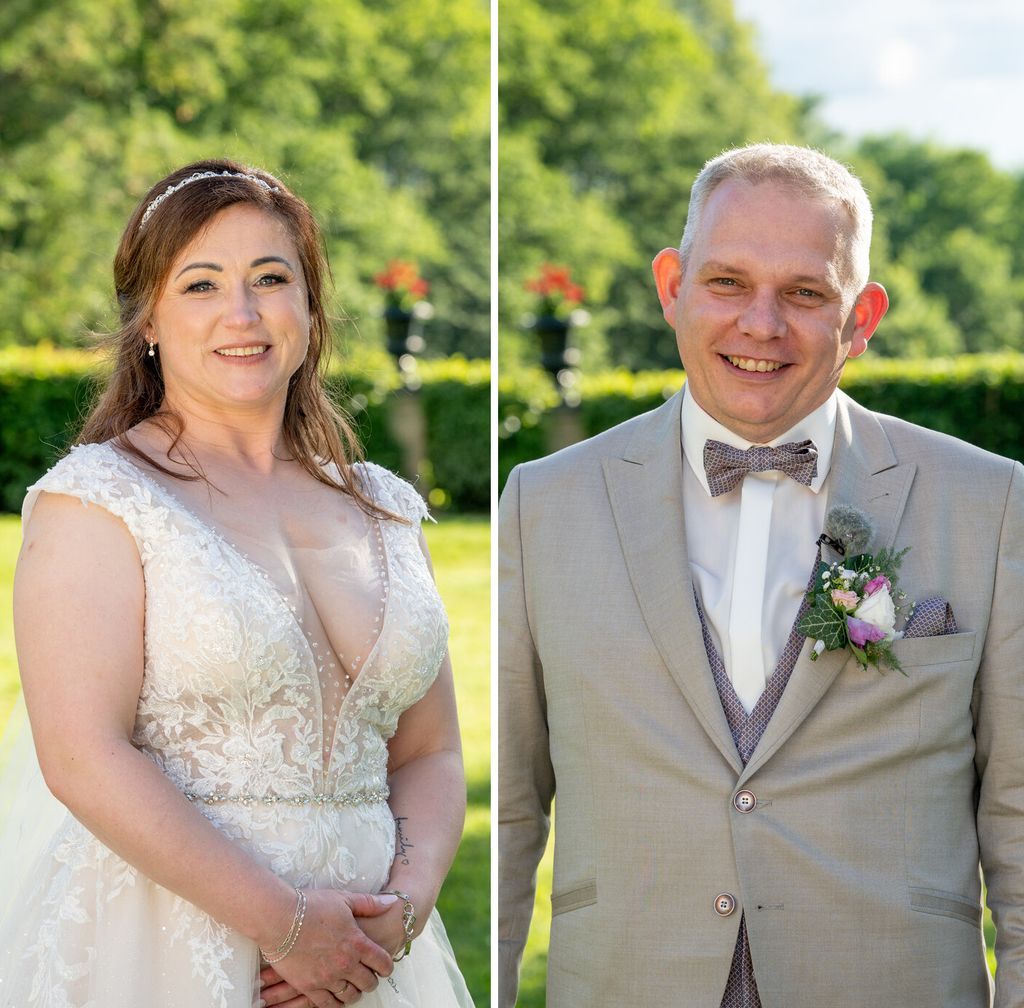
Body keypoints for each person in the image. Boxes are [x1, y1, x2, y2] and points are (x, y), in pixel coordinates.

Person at [499, 143, 1024, 1007]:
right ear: (672, 286)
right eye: (728, 283)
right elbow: (512, 814)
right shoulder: (545, 503)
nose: (762, 324)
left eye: (806, 294)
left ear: (862, 317)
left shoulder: (988, 502)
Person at [0, 158, 475, 1008]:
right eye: (202, 285)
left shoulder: (387, 509)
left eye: (270, 278)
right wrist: (288, 927)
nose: (243, 314)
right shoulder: (98, 500)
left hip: (374, 959)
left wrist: (400, 911)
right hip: (167, 947)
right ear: (147, 319)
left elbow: (431, 751)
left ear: (310, 307)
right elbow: (81, 756)